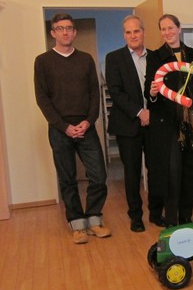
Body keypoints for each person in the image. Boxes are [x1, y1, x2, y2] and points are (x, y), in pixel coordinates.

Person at [34, 13, 111, 244]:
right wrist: (64, 126)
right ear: (53, 33)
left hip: (86, 126)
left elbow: (94, 94)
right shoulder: (43, 61)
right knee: (67, 178)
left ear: (74, 32)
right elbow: (42, 98)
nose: (65, 32)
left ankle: (95, 218)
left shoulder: (86, 59)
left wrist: (88, 121)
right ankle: (77, 224)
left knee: (99, 175)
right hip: (59, 129)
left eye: (69, 28)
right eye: (60, 28)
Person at [144, 14, 193, 227]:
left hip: (192, 123)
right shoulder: (155, 57)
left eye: (170, 28)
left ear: (179, 28)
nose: (167, 32)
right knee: (172, 176)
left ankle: (186, 218)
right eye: (163, 29)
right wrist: (153, 92)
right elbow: (150, 91)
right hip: (169, 126)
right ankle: (172, 222)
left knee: (190, 174)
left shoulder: (192, 54)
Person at [105, 15, 165, 233]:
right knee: (132, 172)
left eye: (136, 31)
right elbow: (116, 92)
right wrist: (140, 112)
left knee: (156, 170)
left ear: (143, 32)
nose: (133, 36)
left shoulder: (156, 57)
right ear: (124, 35)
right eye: (128, 32)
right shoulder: (114, 58)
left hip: (155, 124)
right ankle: (136, 216)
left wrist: (151, 111)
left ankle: (156, 214)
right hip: (127, 124)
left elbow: (163, 87)